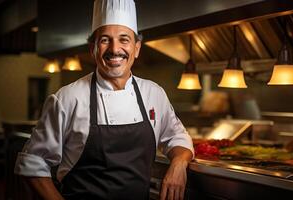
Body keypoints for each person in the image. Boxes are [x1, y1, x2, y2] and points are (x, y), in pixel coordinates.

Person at [14, 0, 194, 199]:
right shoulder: (67, 98)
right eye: (105, 40)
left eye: (124, 39)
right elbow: (33, 163)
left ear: (137, 48)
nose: (115, 49)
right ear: (93, 48)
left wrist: (179, 163)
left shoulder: (154, 93)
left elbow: (177, 137)